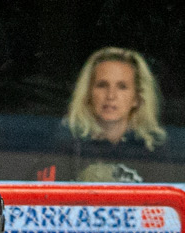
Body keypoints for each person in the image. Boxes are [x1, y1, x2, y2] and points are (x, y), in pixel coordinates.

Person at [55, 47, 166, 182]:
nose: (111, 96)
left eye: (122, 86)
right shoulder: (67, 146)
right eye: (102, 85)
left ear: (137, 97)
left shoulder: (153, 151)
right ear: (88, 93)